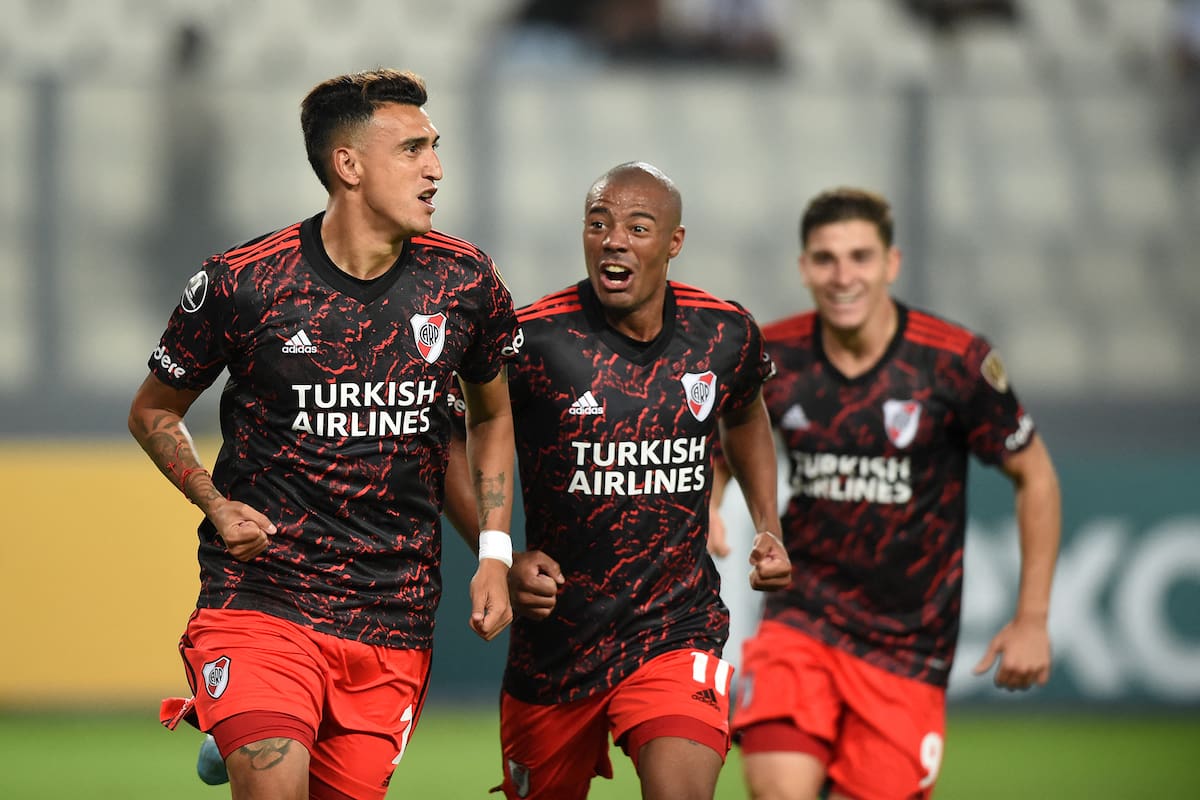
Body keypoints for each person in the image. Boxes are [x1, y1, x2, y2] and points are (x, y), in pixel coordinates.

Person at [127, 68, 520, 800]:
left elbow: (490, 416)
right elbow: (153, 410)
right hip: (263, 599)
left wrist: (494, 552)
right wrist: (214, 503)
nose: (435, 167)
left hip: (392, 618)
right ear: (348, 165)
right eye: (411, 149)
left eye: (435, 147)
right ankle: (250, 714)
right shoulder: (245, 283)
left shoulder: (465, 282)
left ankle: (232, 724)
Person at [447, 161, 792, 799]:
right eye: (599, 223)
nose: (614, 240)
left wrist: (767, 525)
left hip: (676, 627)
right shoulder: (532, 340)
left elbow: (746, 413)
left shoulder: (724, 334)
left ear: (673, 243)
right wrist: (500, 557)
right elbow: (449, 437)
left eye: (638, 226)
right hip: (556, 643)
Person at [709, 187, 1062, 800]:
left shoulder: (953, 362)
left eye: (860, 257)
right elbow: (723, 444)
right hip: (802, 619)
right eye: (825, 259)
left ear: (891, 263)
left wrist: (1031, 619)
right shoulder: (773, 356)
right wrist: (711, 502)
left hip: (908, 645)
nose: (843, 276)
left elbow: (1036, 477)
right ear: (803, 268)